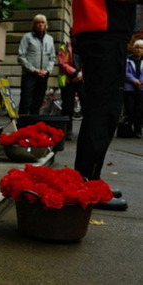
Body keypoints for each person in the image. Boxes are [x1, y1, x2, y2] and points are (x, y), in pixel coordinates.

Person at [71, 0, 141, 211]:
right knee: (104, 109)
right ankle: (87, 184)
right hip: (104, 28)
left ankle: (90, 179)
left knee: (101, 107)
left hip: (101, 28)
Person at [17, 14, 56, 115]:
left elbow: (52, 58)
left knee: (38, 102)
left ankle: (34, 126)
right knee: (26, 101)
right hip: (29, 75)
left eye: (42, 22)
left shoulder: (50, 39)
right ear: (34, 24)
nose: (40, 25)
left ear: (46, 25)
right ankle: (22, 126)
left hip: (43, 76)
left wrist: (48, 70)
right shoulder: (27, 37)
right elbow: (21, 56)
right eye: (38, 22)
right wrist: (33, 69)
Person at [57, 38, 83, 140]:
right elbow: (62, 63)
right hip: (68, 80)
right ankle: (67, 130)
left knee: (86, 105)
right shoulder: (64, 48)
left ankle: (85, 132)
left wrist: (81, 75)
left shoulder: (84, 47)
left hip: (81, 80)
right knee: (67, 107)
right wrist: (75, 73)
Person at [124, 38, 143, 138]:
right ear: (133, 49)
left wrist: (140, 81)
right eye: (137, 48)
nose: (139, 50)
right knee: (130, 109)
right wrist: (134, 80)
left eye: (141, 48)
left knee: (139, 109)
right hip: (129, 88)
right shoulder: (127, 60)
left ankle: (138, 130)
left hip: (141, 89)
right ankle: (128, 129)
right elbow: (125, 73)